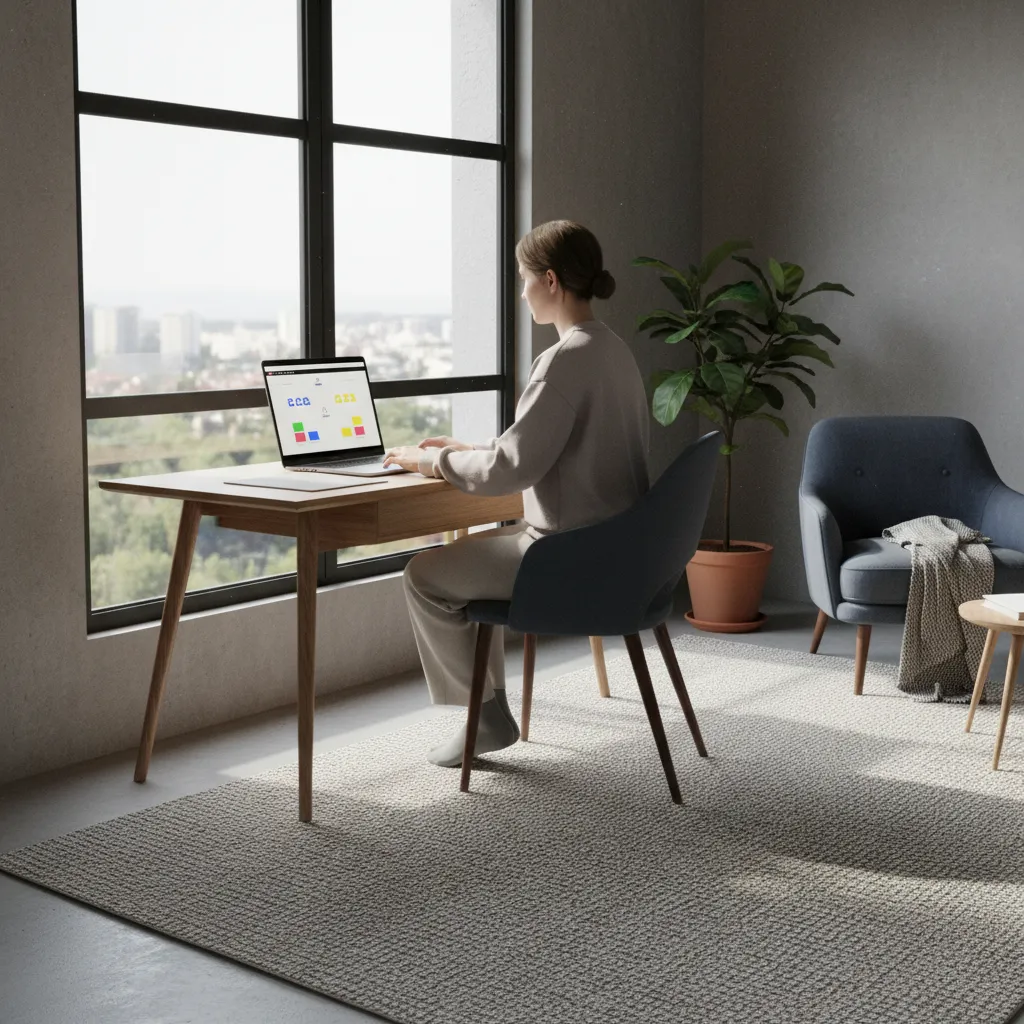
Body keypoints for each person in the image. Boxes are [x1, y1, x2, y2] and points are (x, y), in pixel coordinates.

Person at [382, 219, 650, 767]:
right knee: (473, 552)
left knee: (424, 576)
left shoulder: (563, 360)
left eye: (524, 278)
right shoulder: (613, 351)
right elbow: (539, 444)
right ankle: (488, 712)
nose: (521, 291)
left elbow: (509, 470)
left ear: (550, 281)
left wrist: (431, 460)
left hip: (566, 556)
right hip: (621, 551)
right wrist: (467, 448)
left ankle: (483, 718)